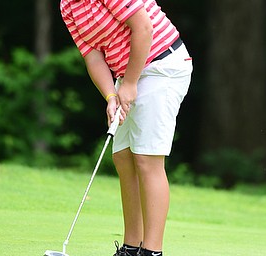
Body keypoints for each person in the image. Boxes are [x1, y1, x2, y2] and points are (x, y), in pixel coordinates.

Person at [60, 0, 193, 255]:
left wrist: (129, 84)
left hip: (162, 65)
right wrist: (111, 96)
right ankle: (132, 247)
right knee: (123, 156)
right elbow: (93, 56)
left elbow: (143, 27)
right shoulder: (67, 6)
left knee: (146, 158)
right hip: (129, 72)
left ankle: (152, 251)